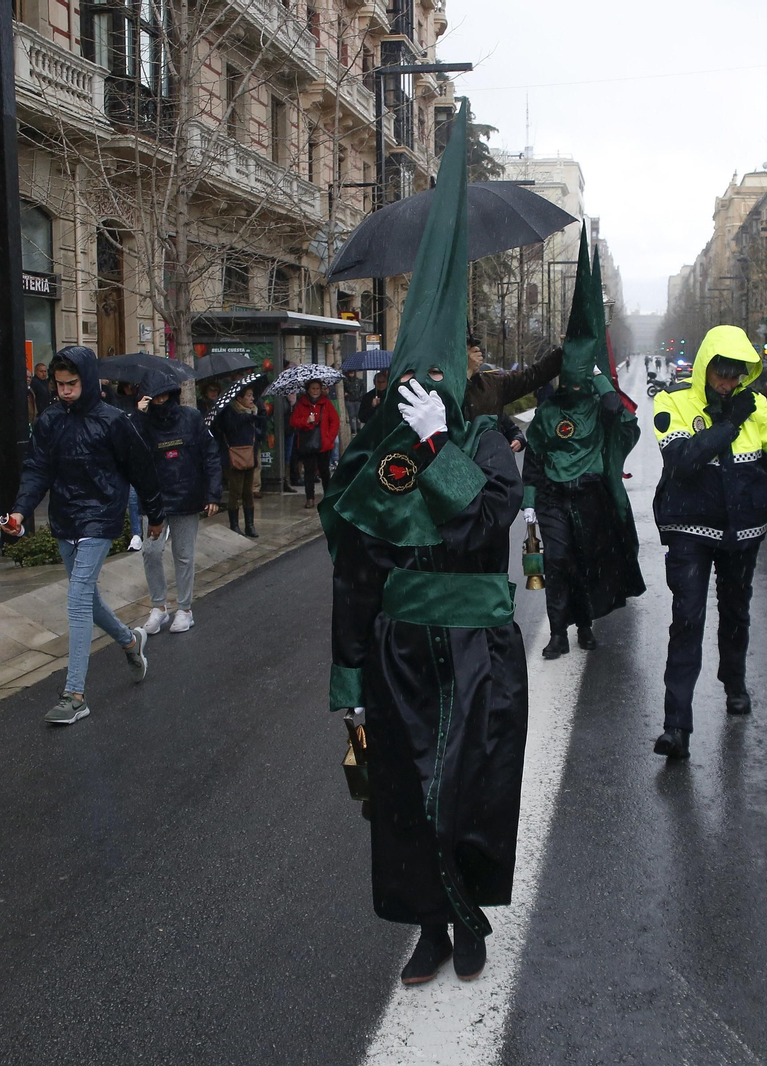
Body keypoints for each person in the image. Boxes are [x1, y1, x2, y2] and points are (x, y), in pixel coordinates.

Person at [324, 103, 526, 985]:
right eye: (416, 374)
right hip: (400, 650)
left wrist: (443, 444)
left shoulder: (487, 442)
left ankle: (469, 919)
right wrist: (349, 681)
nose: (428, 382)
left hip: (479, 647)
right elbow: (355, 569)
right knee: (406, 797)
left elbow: (484, 527)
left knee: (471, 789)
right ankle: (431, 929)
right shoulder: (377, 453)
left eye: (440, 374)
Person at [649, 324, 767, 760]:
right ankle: (676, 725)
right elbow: (683, 462)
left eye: (735, 374)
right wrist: (728, 423)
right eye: (720, 373)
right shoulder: (672, 401)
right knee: (687, 620)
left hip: (742, 533)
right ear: (705, 368)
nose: (727, 382)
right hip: (690, 528)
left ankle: (735, 682)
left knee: (736, 612)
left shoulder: (757, 407)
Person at [5, 346, 164, 726]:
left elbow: (141, 468)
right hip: (65, 517)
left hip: (101, 515)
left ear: (88, 380)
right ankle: (130, 641)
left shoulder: (114, 421)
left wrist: (155, 514)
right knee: (87, 599)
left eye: (72, 383)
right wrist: (20, 510)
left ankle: (74, 695)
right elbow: (37, 469)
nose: (64, 390)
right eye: (59, 384)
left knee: (77, 599)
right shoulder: (49, 420)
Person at [520, 231, 645, 657]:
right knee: (557, 562)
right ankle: (558, 632)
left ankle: (585, 624)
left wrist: (604, 385)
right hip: (554, 498)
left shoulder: (600, 407)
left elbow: (626, 426)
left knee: (588, 560)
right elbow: (535, 458)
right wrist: (530, 502)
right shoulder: (548, 412)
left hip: (591, 496)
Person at [134, 368, 222, 635]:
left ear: (171, 394)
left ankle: (184, 609)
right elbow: (130, 451)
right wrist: (138, 416)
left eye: (163, 396)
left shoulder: (191, 418)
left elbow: (210, 455)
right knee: (151, 552)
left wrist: (213, 493)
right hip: (154, 498)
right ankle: (158, 607)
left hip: (187, 494)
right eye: (154, 398)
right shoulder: (142, 422)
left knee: (183, 555)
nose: (160, 402)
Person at [464, 334, 562, 454]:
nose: (476, 352)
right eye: (468, 350)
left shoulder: (491, 384)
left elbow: (532, 376)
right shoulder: (446, 388)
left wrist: (565, 351)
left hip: (492, 461)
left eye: (474, 348)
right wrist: (467, 372)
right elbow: (454, 410)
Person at [215, 382, 266, 537]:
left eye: (252, 395)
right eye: (248, 396)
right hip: (234, 458)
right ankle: (234, 525)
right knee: (235, 492)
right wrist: (248, 417)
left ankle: (250, 525)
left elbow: (260, 433)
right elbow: (230, 427)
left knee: (248, 493)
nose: (252, 399)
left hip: (249, 455)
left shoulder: (254, 412)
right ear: (239, 398)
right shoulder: (230, 412)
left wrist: (258, 422)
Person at [289, 379, 339, 506]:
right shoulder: (301, 404)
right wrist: (305, 421)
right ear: (308, 390)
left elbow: (335, 421)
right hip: (308, 444)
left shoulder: (326, 403)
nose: (316, 391)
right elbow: (293, 421)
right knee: (309, 472)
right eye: (313, 388)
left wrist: (329, 438)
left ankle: (328, 496)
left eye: (318, 388)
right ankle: (310, 498)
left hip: (324, 444)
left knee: (325, 472)